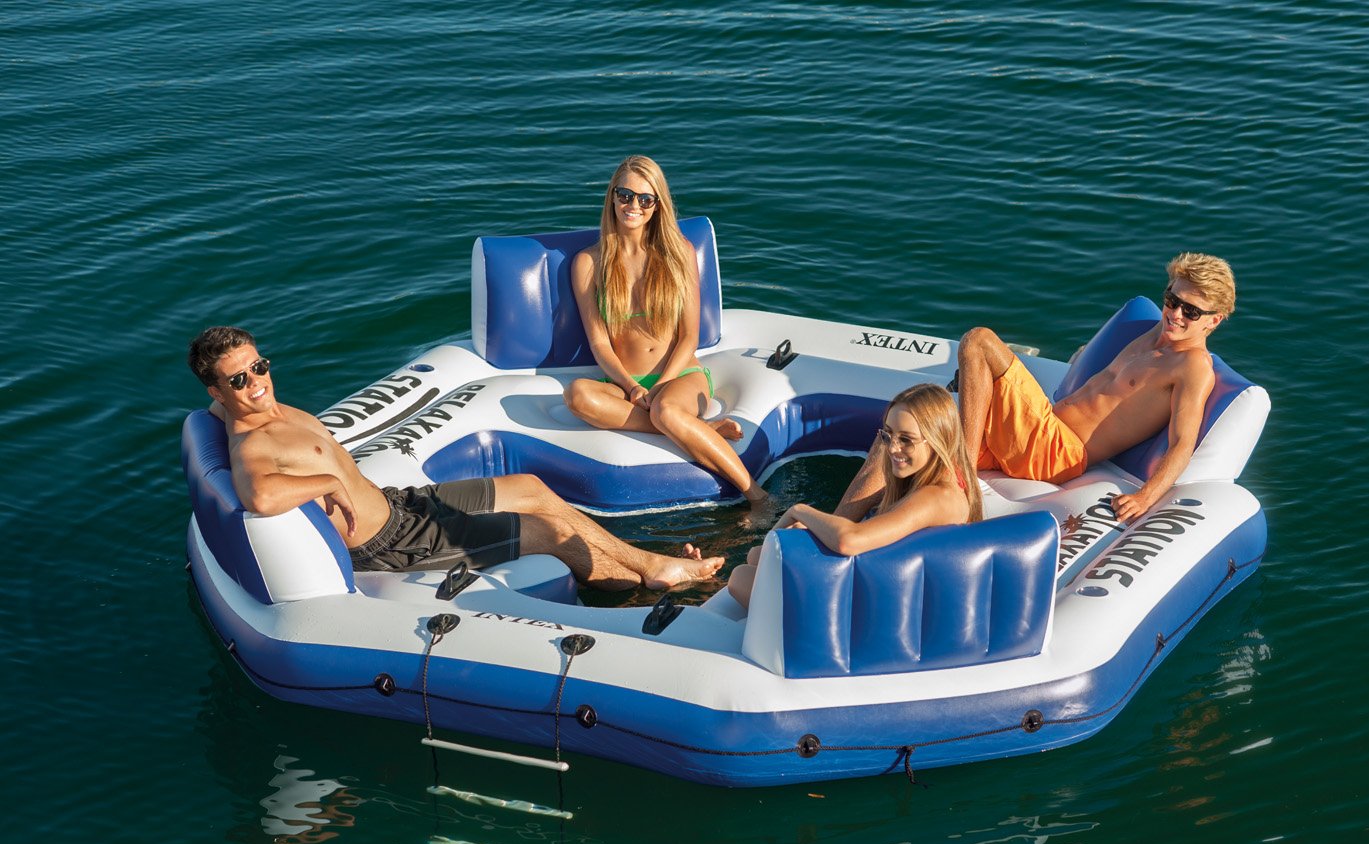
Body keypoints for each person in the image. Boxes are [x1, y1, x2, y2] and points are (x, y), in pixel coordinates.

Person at [187, 325, 723, 590]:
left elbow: (222, 411)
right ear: (217, 391)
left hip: (402, 503)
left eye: (259, 366)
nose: (256, 383)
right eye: (238, 380)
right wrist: (328, 483)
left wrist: (222, 405)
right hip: (390, 543)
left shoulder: (263, 408)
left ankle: (646, 564)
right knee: (547, 532)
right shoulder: (252, 442)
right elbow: (259, 494)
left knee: (532, 488)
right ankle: (649, 575)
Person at [837, 252, 1235, 526]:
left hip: (1058, 451)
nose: (1175, 314)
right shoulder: (1154, 334)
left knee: (978, 341)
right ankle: (831, 529)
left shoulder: (1192, 366)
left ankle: (962, 472)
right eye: (1171, 299)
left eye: (1190, 311)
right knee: (897, 441)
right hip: (1035, 433)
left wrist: (1146, 497)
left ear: (1214, 320)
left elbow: (1183, 442)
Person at [564, 155, 769, 510]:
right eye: (625, 195)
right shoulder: (588, 263)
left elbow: (689, 336)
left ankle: (758, 496)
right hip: (625, 384)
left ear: (658, 205)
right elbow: (599, 342)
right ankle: (704, 430)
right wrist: (631, 387)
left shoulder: (679, 252)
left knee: (667, 411)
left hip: (680, 376)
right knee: (578, 396)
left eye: (645, 199)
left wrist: (660, 386)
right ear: (612, 196)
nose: (633, 206)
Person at [728, 383, 980, 608]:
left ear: (937, 440)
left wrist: (799, 510)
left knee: (741, 577)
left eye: (906, 439)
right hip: (884, 587)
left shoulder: (936, 497)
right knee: (757, 556)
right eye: (888, 435)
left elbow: (849, 540)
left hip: (875, 607)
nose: (892, 448)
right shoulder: (947, 479)